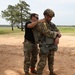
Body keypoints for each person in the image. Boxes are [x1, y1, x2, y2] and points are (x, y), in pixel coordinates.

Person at [34, 9, 61, 75]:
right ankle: (39, 73)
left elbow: (58, 31)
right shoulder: (40, 23)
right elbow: (47, 32)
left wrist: (57, 37)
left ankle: (51, 72)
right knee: (42, 62)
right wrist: (56, 34)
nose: (50, 18)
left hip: (52, 44)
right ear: (45, 15)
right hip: (44, 45)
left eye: (51, 17)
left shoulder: (51, 24)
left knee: (51, 60)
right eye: (49, 17)